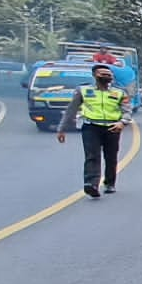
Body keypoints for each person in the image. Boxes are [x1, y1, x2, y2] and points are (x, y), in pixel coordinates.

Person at [56, 65, 132, 198]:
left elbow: (127, 111)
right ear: (95, 76)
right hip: (91, 126)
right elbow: (71, 110)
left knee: (111, 157)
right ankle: (92, 184)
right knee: (92, 156)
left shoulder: (120, 92)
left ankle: (110, 183)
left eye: (108, 74)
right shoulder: (83, 90)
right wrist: (61, 128)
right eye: (102, 74)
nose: (106, 76)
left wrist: (122, 122)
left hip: (112, 127)